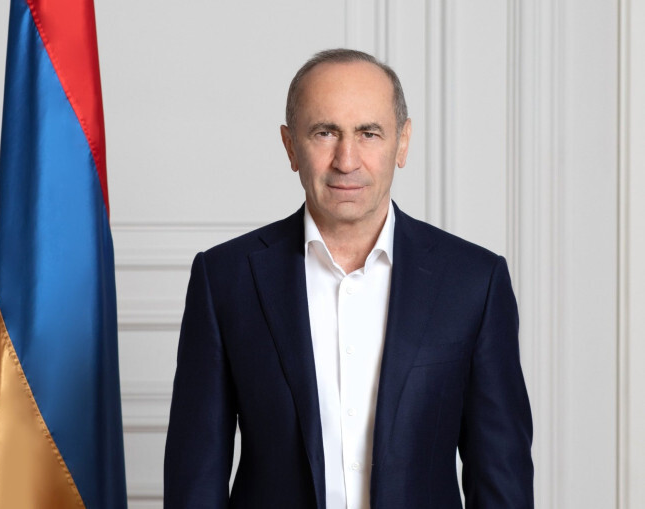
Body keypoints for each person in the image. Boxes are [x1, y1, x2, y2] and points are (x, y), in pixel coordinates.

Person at [164, 48, 533, 509]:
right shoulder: (224, 279)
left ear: (402, 142)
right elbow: (195, 478)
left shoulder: (474, 282)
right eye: (325, 132)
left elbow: (501, 479)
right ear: (290, 146)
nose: (346, 159)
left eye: (368, 133)